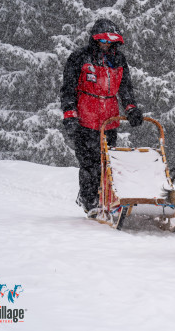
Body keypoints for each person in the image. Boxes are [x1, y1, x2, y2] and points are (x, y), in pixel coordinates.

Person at [60, 19, 143, 214]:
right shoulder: (79, 58)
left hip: (109, 121)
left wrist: (131, 108)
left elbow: (125, 88)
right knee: (89, 164)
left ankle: (107, 197)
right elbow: (68, 89)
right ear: (95, 40)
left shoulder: (119, 60)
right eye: (103, 42)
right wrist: (70, 115)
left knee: (107, 162)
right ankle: (89, 200)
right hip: (84, 120)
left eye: (110, 42)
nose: (106, 46)